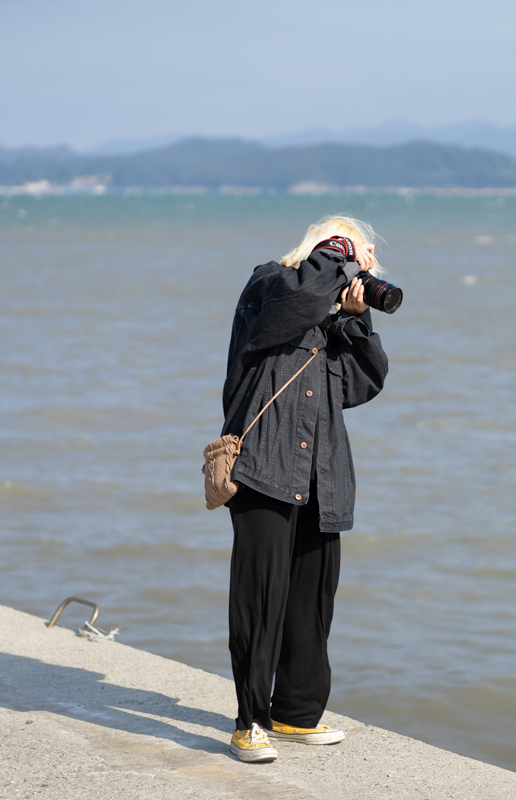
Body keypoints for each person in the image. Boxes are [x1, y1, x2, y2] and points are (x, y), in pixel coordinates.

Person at [219, 215, 389, 763]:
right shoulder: (270, 284)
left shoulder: (330, 314)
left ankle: (295, 714)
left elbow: (365, 383)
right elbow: (292, 306)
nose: (354, 270)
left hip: (322, 473)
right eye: (350, 258)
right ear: (323, 251)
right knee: (260, 597)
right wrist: (338, 251)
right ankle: (250, 723)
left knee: (312, 602)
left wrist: (355, 319)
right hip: (265, 463)